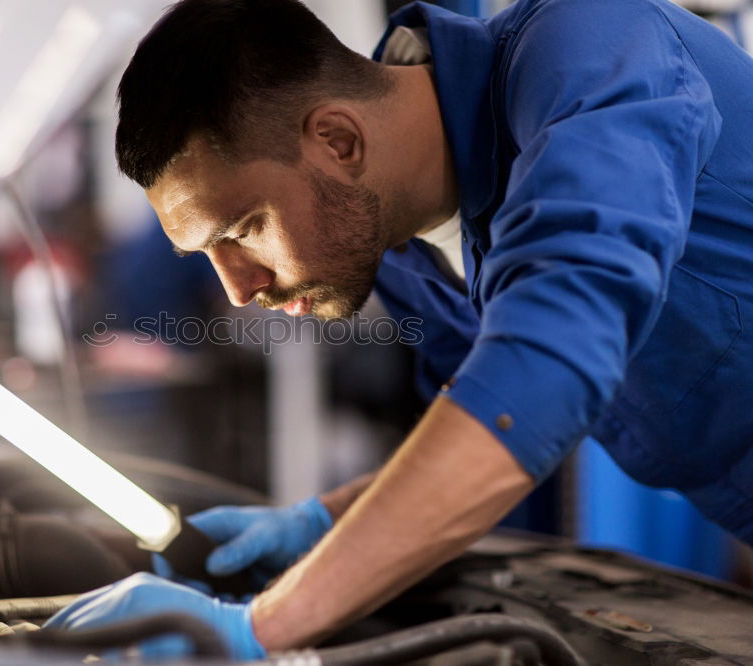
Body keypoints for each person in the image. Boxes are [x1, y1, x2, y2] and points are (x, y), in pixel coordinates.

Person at [44, 0, 753, 658]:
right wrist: (328, 522)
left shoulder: (594, 53)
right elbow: (479, 426)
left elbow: (544, 372)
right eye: (207, 255)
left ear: (338, 140)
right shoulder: (407, 247)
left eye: (244, 229)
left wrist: (259, 630)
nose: (238, 287)